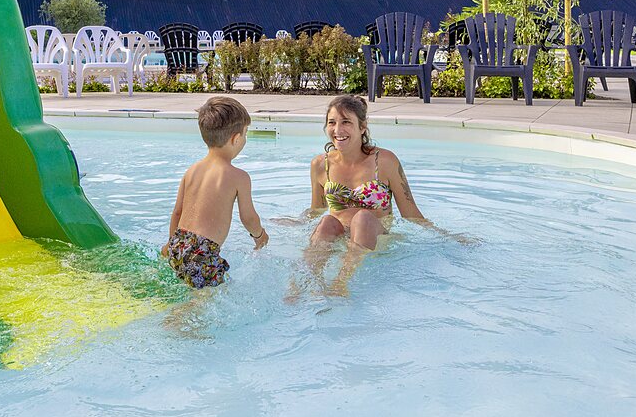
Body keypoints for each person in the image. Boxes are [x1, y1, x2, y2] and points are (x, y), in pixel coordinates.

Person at [300, 94, 470, 296]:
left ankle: (340, 284)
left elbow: (410, 213)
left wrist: (448, 236)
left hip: (375, 237)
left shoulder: (385, 161)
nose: (338, 130)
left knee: (362, 217)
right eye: (332, 122)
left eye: (346, 122)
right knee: (327, 221)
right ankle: (304, 284)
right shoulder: (320, 164)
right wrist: (296, 222)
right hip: (338, 237)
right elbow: (316, 209)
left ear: (362, 127)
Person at [161, 96, 269, 288]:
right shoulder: (239, 177)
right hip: (203, 252)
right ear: (236, 139)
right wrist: (259, 236)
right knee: (201, 303)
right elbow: (248, 218)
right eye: (245, 134)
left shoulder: (192, 170)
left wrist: (171, 244)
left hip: (179, 243)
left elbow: (177, 212)